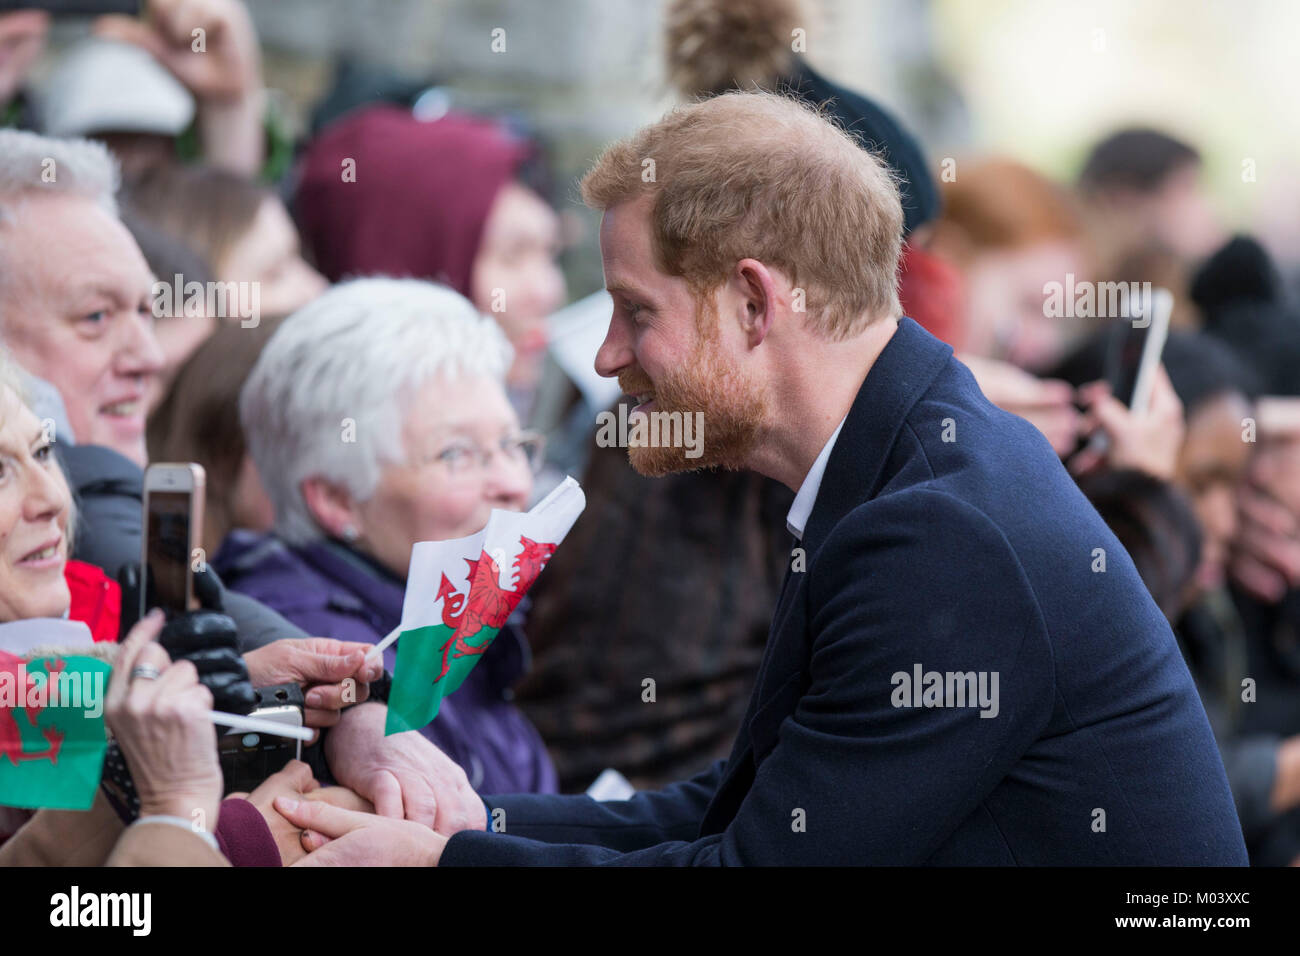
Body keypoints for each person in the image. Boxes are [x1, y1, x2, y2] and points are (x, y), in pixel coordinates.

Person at [275, 92, 1247, 866]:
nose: (606, 355)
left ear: (751, 301)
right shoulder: (901, 465)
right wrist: (470, 823)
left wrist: (441, 863)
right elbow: (745, 801)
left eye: (632, 309)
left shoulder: (938, 530)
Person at [0, 127, 472, 824]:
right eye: (95, 317)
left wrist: (250, 693)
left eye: (148, 311)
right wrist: (213, 823)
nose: (149, 356)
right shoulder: (80, 553)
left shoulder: (69, 616)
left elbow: (47, 808)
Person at [219, 277, 558, 795]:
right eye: (457, 454)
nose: (515, 484)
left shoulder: (447, 616)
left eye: (512, 443)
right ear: (336, 500)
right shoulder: (332, 658)